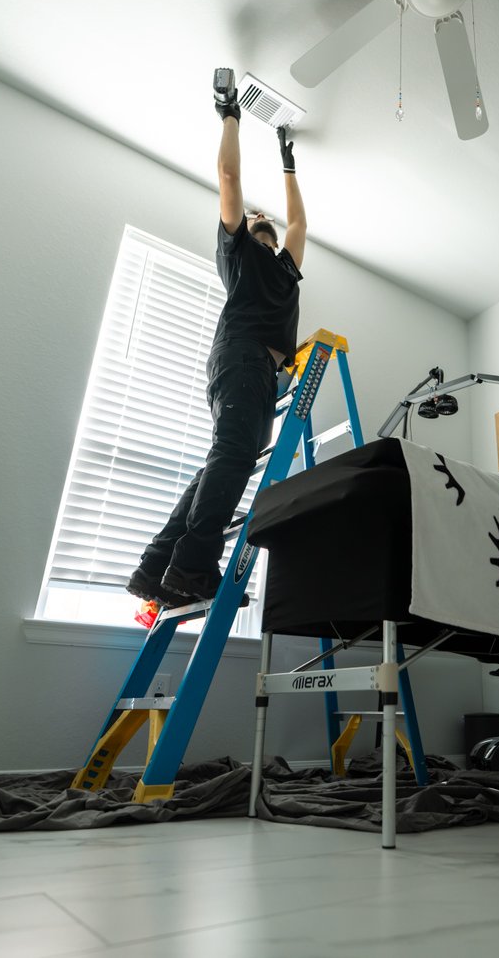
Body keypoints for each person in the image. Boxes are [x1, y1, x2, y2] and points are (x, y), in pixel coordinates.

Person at [125, 72, 306, 606]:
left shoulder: (285, 269)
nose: (261, 217)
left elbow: (299, 224)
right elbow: (228, 175)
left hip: (255, 372)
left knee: (223, 459)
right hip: (244, 361)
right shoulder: (238, 251)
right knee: (231, 457)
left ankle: (156, 566)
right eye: (253, 217)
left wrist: (289, 164)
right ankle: (191, 567)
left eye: (264, 220)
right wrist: (230, 116)